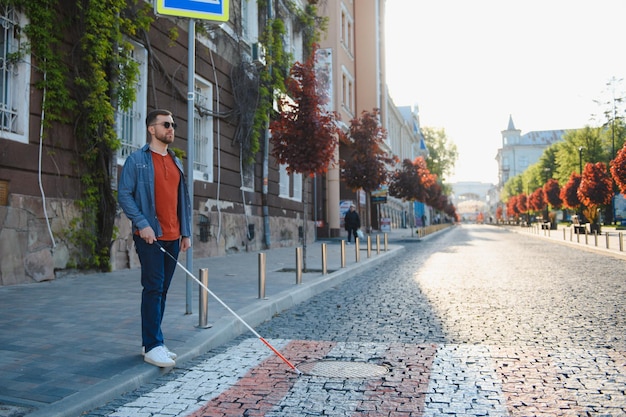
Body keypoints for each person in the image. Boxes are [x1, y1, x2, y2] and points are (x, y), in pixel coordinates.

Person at [118, 109, 192, 368]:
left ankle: (152, 341)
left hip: (173, 237)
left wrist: (186, 232)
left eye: (173, 124)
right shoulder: (137, 160)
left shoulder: (175, 161)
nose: (171, 128)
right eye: (166, 124)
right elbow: (125, 195)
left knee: (162, 290)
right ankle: (153, 345)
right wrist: (143, 225)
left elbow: (182, 199)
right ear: (152, 129)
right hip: (150, 237)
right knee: (153, 288)